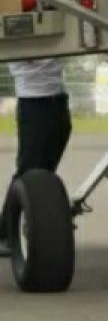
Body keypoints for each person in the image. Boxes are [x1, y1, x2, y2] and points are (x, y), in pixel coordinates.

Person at [1, 58, 73, 258]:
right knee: (29, 171)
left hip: (57, 99)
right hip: (34, 103)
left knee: (42, 172)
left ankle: (32, 216)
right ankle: (6, 232)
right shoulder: (23, 38)